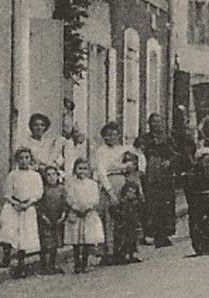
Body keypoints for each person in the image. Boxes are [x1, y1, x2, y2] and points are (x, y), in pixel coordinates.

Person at [93, 122, 146, 265]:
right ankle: (108, 253)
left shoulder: (123, 149)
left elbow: (139, 157)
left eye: (114, 134)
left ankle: (126, 251)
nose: (111, 138)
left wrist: (133, 167)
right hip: (109, 184)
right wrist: (110, 192)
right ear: (104, 136)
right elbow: (102, 171)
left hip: (123, 183)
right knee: (110, 218)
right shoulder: (101, 151)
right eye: (108, 135)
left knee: (127, 218)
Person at [0, 147, 43, 277]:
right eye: (21, 158)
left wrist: (28, 203)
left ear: (30, 159)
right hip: (13, 206)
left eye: (27, 158)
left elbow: (38, 192)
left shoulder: (35, 175)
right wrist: (15, 203)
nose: (24, 161)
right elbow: (7, 192)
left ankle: (21, 263)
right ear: (17, 160)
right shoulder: (13, 174)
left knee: (24, 235)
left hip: (28, 207)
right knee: (8, 231)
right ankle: (6, 256)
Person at [137, 113, 179, 248]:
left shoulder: (167, 139)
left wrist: (169, 161)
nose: (156, 125)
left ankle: (163, 235)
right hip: (149, 176)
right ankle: (148, 234)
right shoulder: (144, 139)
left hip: (164, 176)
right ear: (149, 124)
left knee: (164, 205)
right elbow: (136, 153)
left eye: (158, 122)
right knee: (149, 205)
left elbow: (176, 155)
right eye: (153, 122)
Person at [63, 157, 105, 272]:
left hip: (88, 214)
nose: (82, 171)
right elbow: (69, 197)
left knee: (87, 239)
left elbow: (95, 198)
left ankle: (84, 263)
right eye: (80, 168)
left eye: (85, 169)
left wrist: (87, 208)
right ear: (75, 169)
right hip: (76, 213)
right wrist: (76, 207)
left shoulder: (92, 184)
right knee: (76, 240)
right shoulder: (71, 184)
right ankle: (77, 263)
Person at [35, 165, 67, 275]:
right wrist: (44, 217)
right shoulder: (43, 189)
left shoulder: (62, 188)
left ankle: (52, 265)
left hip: (57, 218)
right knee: (45, 242)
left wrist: (63, 216)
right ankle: (44, 265)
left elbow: (65, 203)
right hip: (46, 218)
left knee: (55, 242)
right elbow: (39, 205)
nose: (52, 177)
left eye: (54, 174)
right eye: (48, 175)